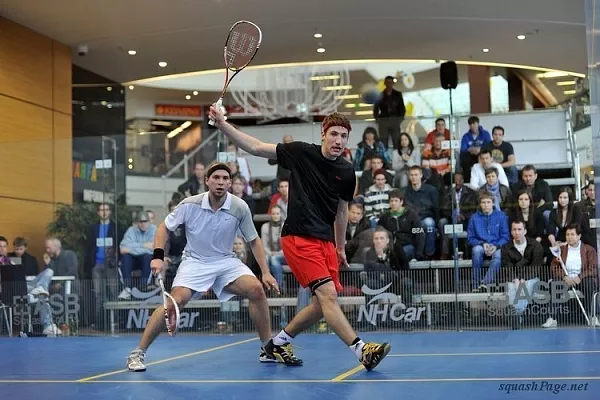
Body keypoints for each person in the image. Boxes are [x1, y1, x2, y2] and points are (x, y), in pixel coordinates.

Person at [209, 105, 391, 371]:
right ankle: (362, 350)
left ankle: (277, 343)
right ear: (323, 134)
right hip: (298, 237)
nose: (339, 140)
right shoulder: (301, 152)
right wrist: (223, 125)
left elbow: (342, 211)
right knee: (327, 295)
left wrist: (340, 246)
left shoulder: (347, 171)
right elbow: (257, 147)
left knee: (321, 304)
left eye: (344, 135)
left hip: (326, 242)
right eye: (334, 134)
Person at [126, 163, 280, 372]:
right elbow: (164, 227)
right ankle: (138, 352)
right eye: (216, 177)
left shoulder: (239, 206)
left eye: (225, 178)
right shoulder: (190, 204)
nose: (221, 182)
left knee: (256, 290)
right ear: (206, 181)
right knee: (173, 303)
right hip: (195, 262)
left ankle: (267, 348)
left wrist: (266, 272)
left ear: (230, 182)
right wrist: (158, 256)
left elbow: (253, 240)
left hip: (226, 261)